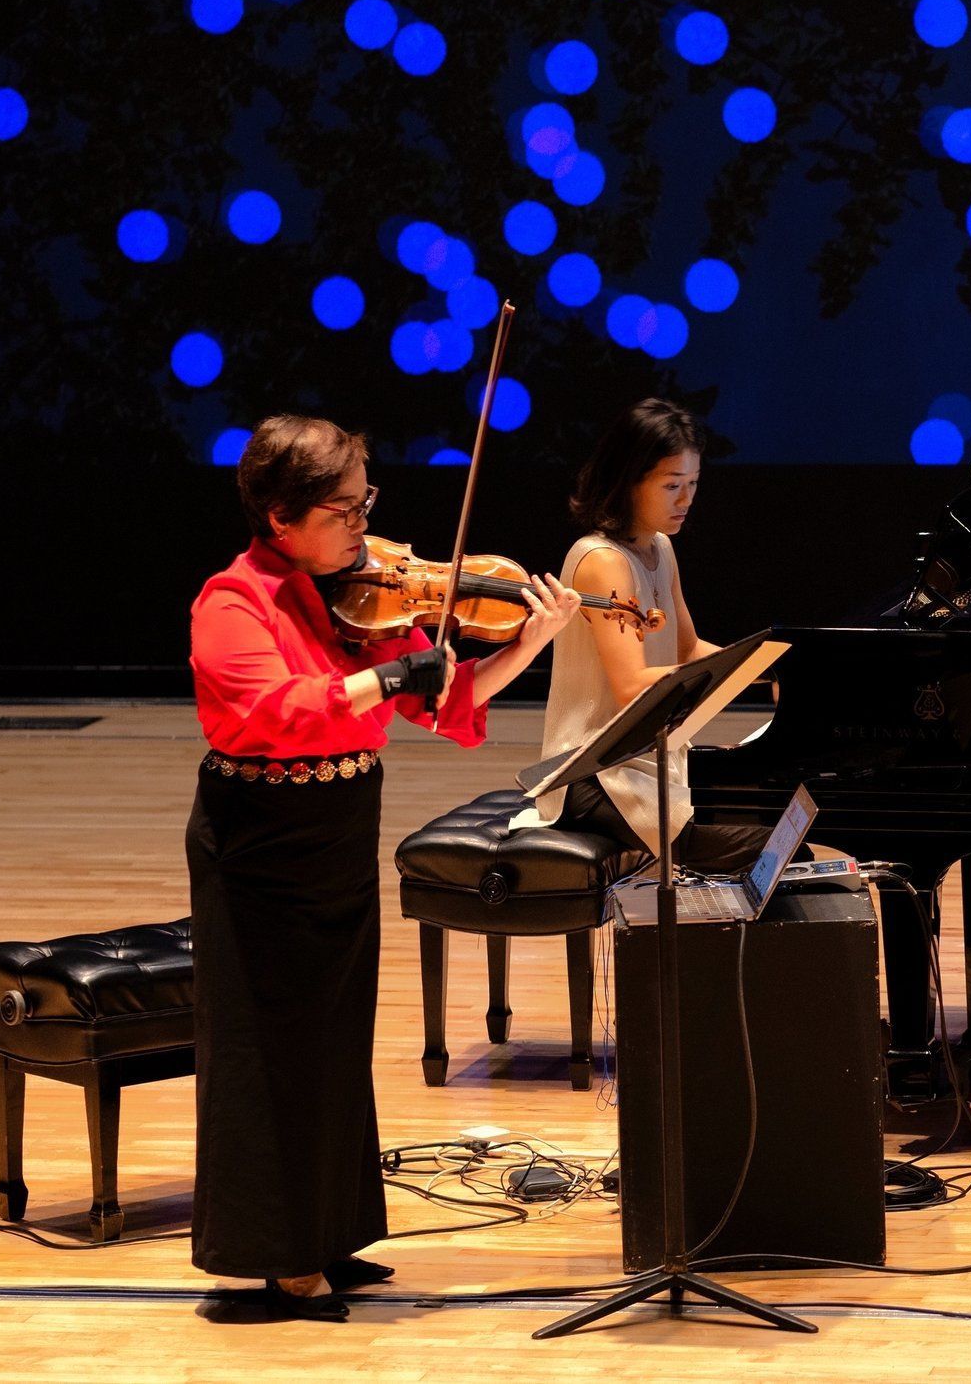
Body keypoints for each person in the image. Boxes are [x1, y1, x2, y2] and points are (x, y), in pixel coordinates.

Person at [187, 414, 578, 1319]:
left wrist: (530, 641)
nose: (366, 525)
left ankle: (332, 1233)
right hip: (261, 846)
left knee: (333, 1043)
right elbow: (275, 710)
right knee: (271, 1049)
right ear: (283, 516)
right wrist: (392, 679)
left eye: (369, 500)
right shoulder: (232, 601)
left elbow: (445, 702)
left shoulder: (352, 593)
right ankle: (280, 1260)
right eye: (346, 507)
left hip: (334, 832)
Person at [539, 397, 763, 870]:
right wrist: (729, 672)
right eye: (672, 485)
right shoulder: (602, 561)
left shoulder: (659, 546)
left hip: (645, 757)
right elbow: (630, 687)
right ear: (628, 481)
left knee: (772, 833)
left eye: (693, 484)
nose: (686, 500)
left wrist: (766, 669)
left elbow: (687, 648)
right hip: (595, 771)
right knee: (767, 852)